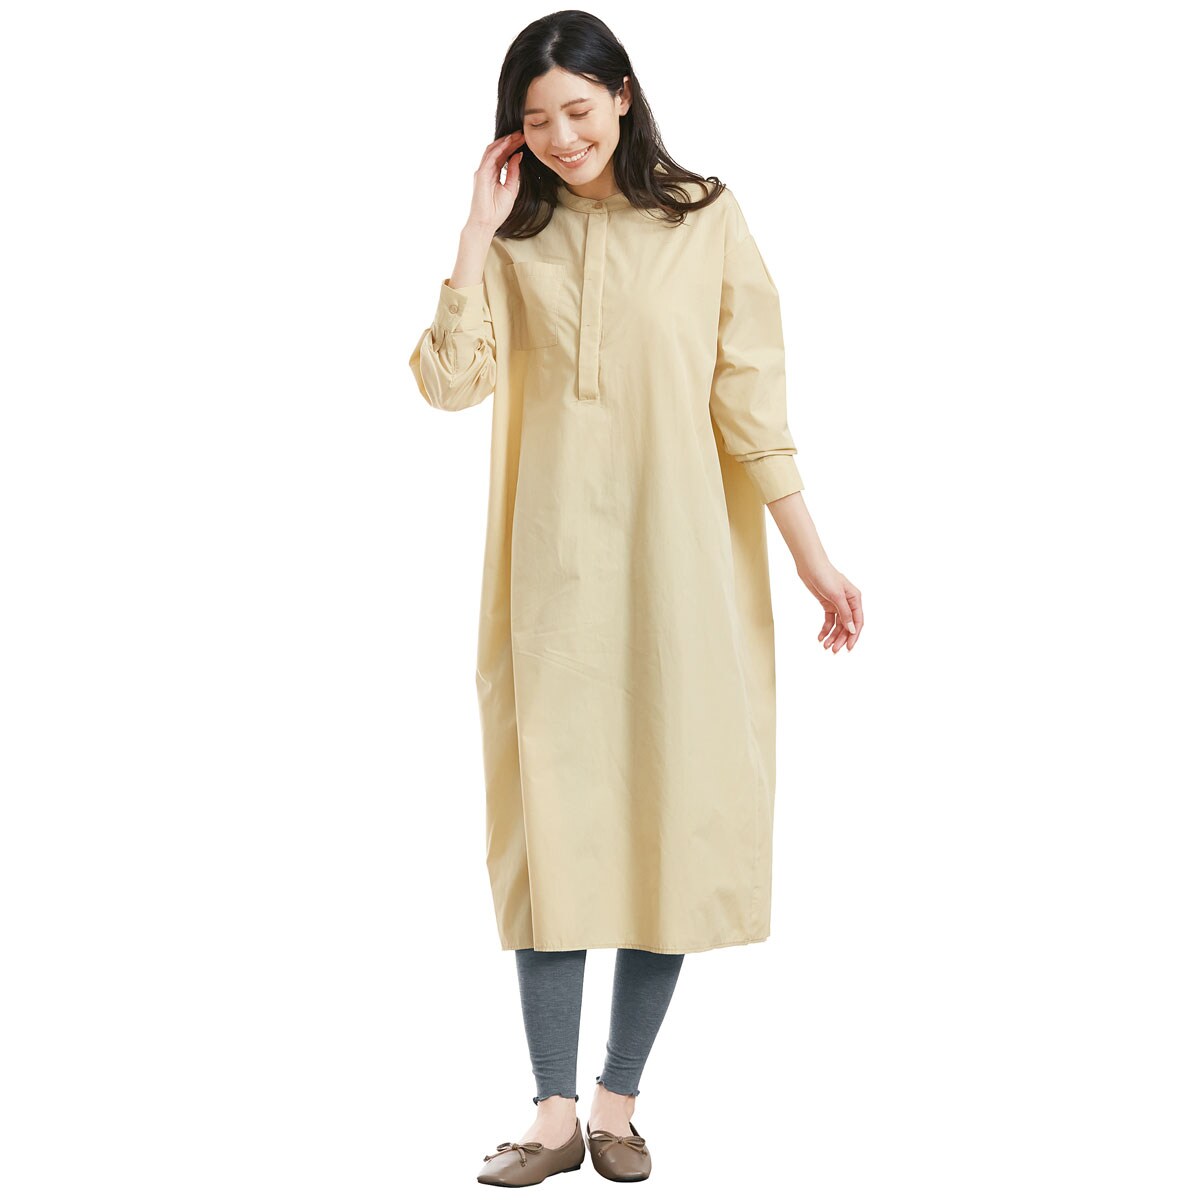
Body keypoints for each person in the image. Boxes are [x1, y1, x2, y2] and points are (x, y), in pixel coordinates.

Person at [409, 12, 863, 1187]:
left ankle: (616, 1104)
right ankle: (551, 1116)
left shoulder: (707, 218)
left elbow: (751, 403)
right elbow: (450, 386)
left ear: (622, 94)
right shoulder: (518, 238)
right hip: (550, 587)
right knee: (552, 839)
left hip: (682, 578)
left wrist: (811, 557)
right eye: (536, 120)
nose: (562, 137)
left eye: (578, 108)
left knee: (672, 825)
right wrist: (473, 235)